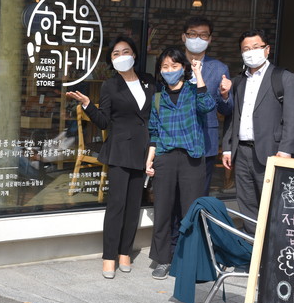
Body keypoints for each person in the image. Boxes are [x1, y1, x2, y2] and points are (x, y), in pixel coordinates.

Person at [66, 36, 155, 278]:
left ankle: (125, 252)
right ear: (111, 60)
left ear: (134, 55)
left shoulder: (148, 81)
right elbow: (104, 121)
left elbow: (153, 116)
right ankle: (109, 256)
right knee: (117, 205)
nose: (121, 56)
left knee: (134, 205)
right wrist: (88, 105)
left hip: (143, 150)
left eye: (125, 51)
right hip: (120, 150)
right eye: (116, 53)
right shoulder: (110, 85)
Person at [222, 30, 294, 234]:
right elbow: (234, 117)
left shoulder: (283, 77)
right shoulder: (240, 81)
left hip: (271, 152)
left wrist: (286, 150)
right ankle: (252, 246)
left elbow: (293, 117)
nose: (251, 52)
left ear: (267, 49)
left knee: (273, 202)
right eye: (246, 49)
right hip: (242, 152)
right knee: (246, 203)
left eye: (256, 47)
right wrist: (228, 148)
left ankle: (272, 247)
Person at [145, 47, 215, 280]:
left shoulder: (194, 92)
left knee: (190, 211)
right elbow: (154, 132)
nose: (169, 70)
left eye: (174, 66)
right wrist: (150, 159)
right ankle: (163, 259)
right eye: (165, 67)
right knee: (163, 210)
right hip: (164, 157)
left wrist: (199, 74)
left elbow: (208, 105)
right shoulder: (158, 98)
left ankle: (189, 260)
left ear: (183, 68)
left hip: (191, 158)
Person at [181, 17, 233, 195]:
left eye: (203, 35)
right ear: (184, 37)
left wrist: (225, 95)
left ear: (210, 39)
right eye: (192, 34)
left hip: (205, 141)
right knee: (174, 194)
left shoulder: (219, 68)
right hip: (175, 140)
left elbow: (226, 110)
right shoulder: (172, 64)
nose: (197, 39)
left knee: (199, 194)